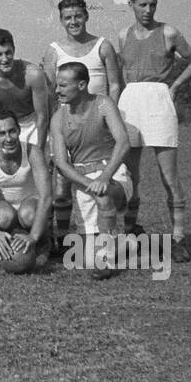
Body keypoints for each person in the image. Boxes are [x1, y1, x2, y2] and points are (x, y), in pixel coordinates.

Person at [116, 0, 191, 262]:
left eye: (152, 4)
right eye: (142, 4)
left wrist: (174, 86)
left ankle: (178, 238)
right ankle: (130, 232)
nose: (148, 10)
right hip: (130, 103)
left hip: (159, 100)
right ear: (131, 4)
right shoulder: (122, 36)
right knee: (130, 176)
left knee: (169, 176)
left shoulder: (169, 32)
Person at [41, 0, 124, 244]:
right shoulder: (54, 50)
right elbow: (50, 91)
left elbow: (116, 84)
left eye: (78, 16)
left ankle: (119, 231)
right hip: (68, 123)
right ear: (61, 20)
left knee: (117, 177)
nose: (73, 21)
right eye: (68, 17)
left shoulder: (103, 45)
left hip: (101, 122)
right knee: (62, 184)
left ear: (86, 16)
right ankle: (63, 236)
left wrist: (108, 119)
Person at [49, 62, 133, 279]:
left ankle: (107, 258)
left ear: (82, 85)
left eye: (63, 86)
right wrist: (88, 184)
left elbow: (123, 143)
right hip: (82, 179)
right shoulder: (58, 118)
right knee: (85, 257)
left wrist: (104, 178)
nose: (57, 90)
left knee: (103, 197)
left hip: (111, 172)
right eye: (57, 85)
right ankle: (115, 243)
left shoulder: (103, 104)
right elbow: (62, 164)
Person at [0, 110, 49, 273]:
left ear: (19, 130)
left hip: (29, 207)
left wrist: (34, 236)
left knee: (28, 214)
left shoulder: (33, 152)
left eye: (12, 131)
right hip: (3, 209)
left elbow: (46, 196)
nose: (8, 138)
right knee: (4, 216)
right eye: (1, 133)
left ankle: (41, 244)